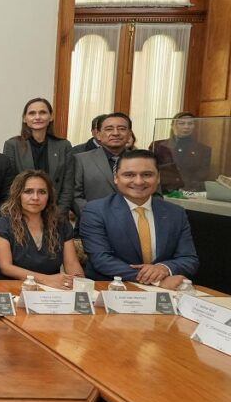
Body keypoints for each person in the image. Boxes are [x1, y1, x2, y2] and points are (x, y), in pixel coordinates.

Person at [79, 149, 198, 289]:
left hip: (167, 294)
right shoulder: (96, 211)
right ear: (116, 178)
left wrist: (164, 268)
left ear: (158, 178)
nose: (139, 181)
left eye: (147, 175)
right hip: (112, 289)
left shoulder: (175, 213)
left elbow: (189, 259)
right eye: (129, 175)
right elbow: (101, 260)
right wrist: (157, 281)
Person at [0, 170, 84, 289]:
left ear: (49, 196)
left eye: (42, 192)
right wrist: (46, 279)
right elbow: (6, 267)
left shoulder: (61, 224)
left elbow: (72, 264)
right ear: (17, 194)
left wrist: (79, 283)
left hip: (51, 292)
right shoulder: (3, 224)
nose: (35, 197)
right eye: (28, 191)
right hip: (11, 288)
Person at [2, 98, 75, 217]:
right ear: (25, 118)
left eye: (43, 112)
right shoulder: (12, 145)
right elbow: (9, 184)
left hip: (56, 212)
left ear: (51, 117)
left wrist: (58, 214)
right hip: (22, 213)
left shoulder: (64, 145)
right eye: (32, 113)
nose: (37, 117)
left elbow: (68, 186)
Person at [73, 112, 133, 216]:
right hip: (93, 223)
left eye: (122, 129)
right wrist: (95, 217)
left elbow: (154, 194)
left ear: (129, 135)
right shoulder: (80, 160)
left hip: (133, 223)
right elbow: (75, 196)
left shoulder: (142, 161)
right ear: (99, 135)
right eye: (109, 129)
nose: (115, 133)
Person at [149, 112, 212, 192]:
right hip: (162, 190)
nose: (186, 127)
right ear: (173, 125)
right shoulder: (158, 146)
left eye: (190, 123)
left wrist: (187, 188)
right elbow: (151, 169)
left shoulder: (203, 150)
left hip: (190, 191)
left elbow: (201, 175)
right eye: (181, 123)